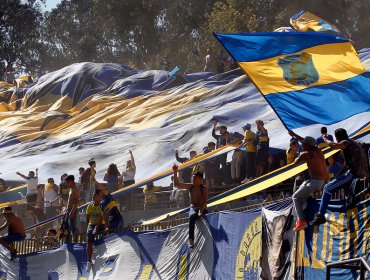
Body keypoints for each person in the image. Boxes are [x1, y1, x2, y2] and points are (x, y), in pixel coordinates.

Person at [311, 128, 369, 226]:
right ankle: (350, 203)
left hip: (353, 174)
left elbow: (334, 146)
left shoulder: (346, 142)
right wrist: (337, 177)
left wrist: (325, 139)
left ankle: (320, 215)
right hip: (361, 174)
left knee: (327, 188)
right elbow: (345, 165)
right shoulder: (354, 144)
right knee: (341, 188)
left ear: (337, 138)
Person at [288, 131, 329, 231]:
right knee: (303, 185)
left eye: (303, 144)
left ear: (307, 145)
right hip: (321, 182)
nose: (301, 144)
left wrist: (296, 153)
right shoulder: (318, 150)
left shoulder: (305, 154)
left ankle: (302, 221)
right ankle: (303, 208)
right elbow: (304, 140)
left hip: (315, 183)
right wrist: (294, 134)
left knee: (295, 197)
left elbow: (294, 163)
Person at [173, 164, 208, 248]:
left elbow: (203, 201)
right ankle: (191, 239)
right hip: (193, 208)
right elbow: (177, 184)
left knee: (209, 215)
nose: (193, 179)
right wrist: (175, 172)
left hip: (202, 207)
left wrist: (200, 211)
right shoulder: (190, 186)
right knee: (192, 216)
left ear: (200, 179)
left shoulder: (204, 188)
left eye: (195, 178)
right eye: (192, 178)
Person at [86, 189, 106, 270]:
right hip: (92, 224)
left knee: (106, 233)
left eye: (95, 194)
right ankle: (89, 260)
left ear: (99, 196)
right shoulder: (89, 206)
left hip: (101, 224)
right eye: (93, 194)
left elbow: (101, 218)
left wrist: (96, 227)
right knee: (89, 240)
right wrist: (89, 228)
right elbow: (87, 218)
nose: (93, 196)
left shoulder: (102, 205)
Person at [212, 119, 228, 184]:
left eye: (221, 129)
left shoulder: (226, 136)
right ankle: (219, 181)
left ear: (224, 130)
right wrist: (214, 126)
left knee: (224, 168)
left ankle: (226, 181)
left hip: (223, 155)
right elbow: (213, 134)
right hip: (217, 155)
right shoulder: (218, 137)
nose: (220, 130)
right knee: (216, 168)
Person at [65, 175, 80, 240]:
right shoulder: (71, 189)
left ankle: (76, 241)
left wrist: (72, 212)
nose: (66, 184)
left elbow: (76, 202)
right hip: (69, 210)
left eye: (67, 182)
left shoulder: (75, 189)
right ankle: (70, 241)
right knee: (68, 226)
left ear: (71, 181)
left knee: (73, 227)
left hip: (72, 210)